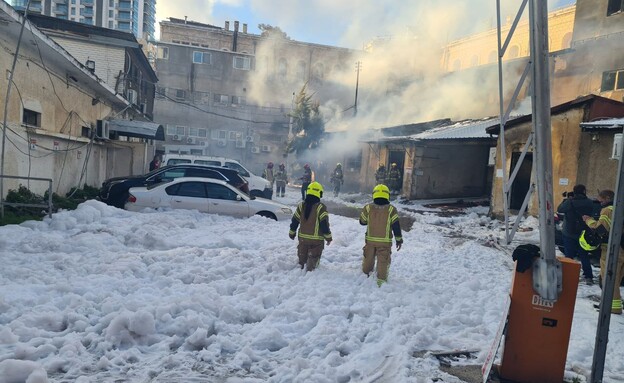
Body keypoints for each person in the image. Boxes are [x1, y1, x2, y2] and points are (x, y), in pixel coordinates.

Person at [582, 190, 624, 315]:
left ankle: (614, 307)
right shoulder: (620, 208)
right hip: (622, 248)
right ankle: (608, 303)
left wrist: (588, 220)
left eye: (600, 200)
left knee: (610, 279)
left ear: (607, 198)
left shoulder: (607, 210)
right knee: (617, 277)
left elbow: (601, 230)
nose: (599, 202)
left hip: (611, 249)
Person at [359, 184, 403, 286]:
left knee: (368, 260)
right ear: (387, 195)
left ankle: (366, 274)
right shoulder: (391, 210)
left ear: (374, 194)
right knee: (383, 261)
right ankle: (381, 281)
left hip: (370, 242)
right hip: (384, 242)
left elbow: (362, 221)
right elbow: (396, 226)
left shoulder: (368, 208)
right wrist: (399, 239)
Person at [556, 184, 596, 284]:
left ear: (574, 192)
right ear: (584, 191)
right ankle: (588, 277)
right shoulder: (590, 202)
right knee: (584, 255)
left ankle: (567, 276)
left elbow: (560, 209)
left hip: (569, 232)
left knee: (569, 256)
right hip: (584, 233)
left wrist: (567, 199)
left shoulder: (570, 202)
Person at [289, 182, 332, 271]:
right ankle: (311, 264)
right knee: (312, 266)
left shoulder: (301, 205)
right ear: (319, 193)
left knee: (302, 263)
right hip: (316, 242)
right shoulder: (321, 207)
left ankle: (303, 262)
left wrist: (292, 233)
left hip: (302, 240)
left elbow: (295, 220)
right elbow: (324, 224)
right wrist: (328, 237)